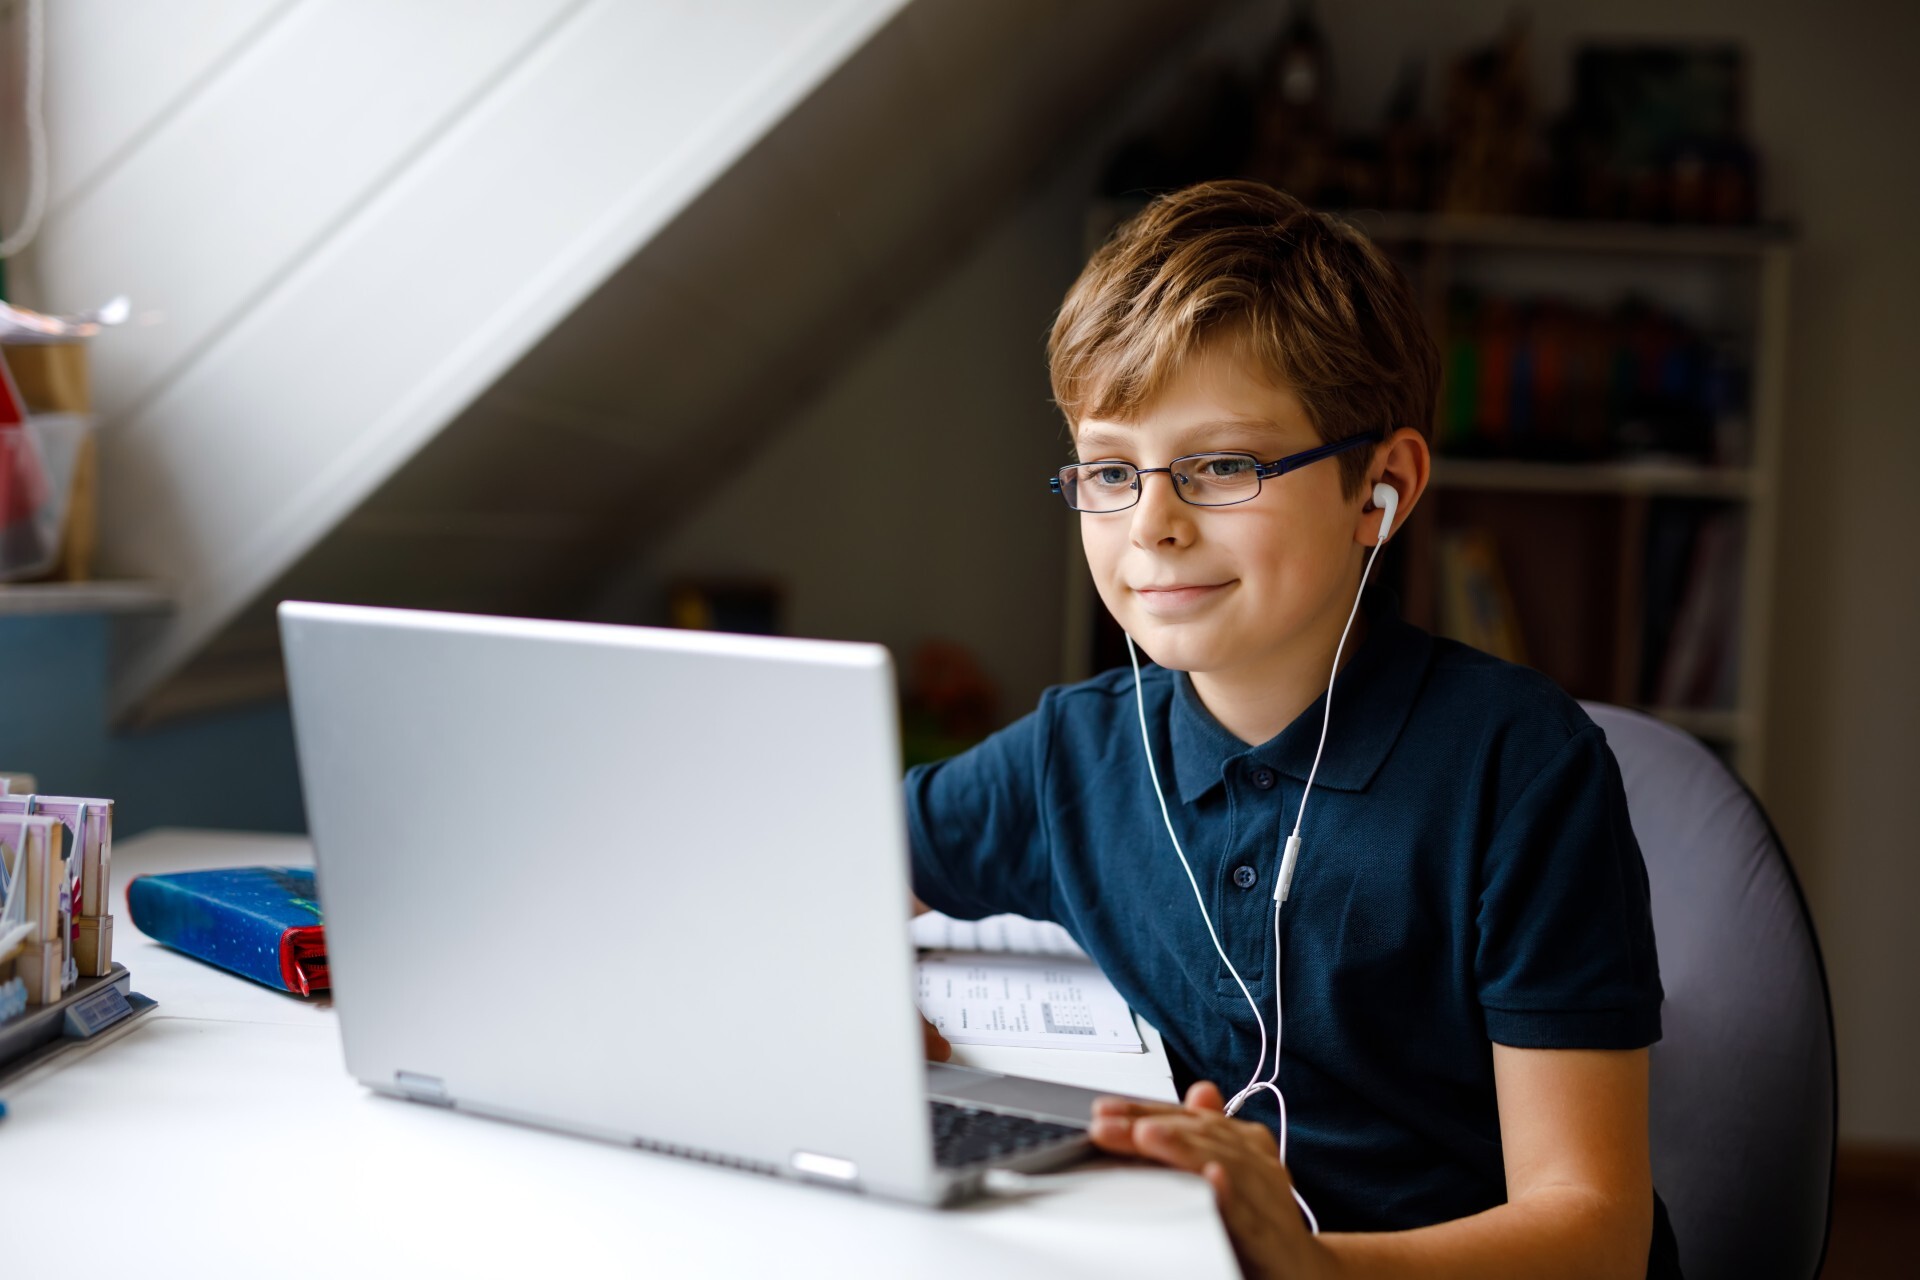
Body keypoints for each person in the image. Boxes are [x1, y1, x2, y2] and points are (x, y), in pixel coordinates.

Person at [907, 180, 1679, 1278]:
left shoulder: (1519, 772)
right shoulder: (1072, 754)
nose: (1154, 525)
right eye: (1112, 470)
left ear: (1381, 488)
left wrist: (1314, 1268)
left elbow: (1597, 1229)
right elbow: (834, 872)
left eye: (1222, 465)